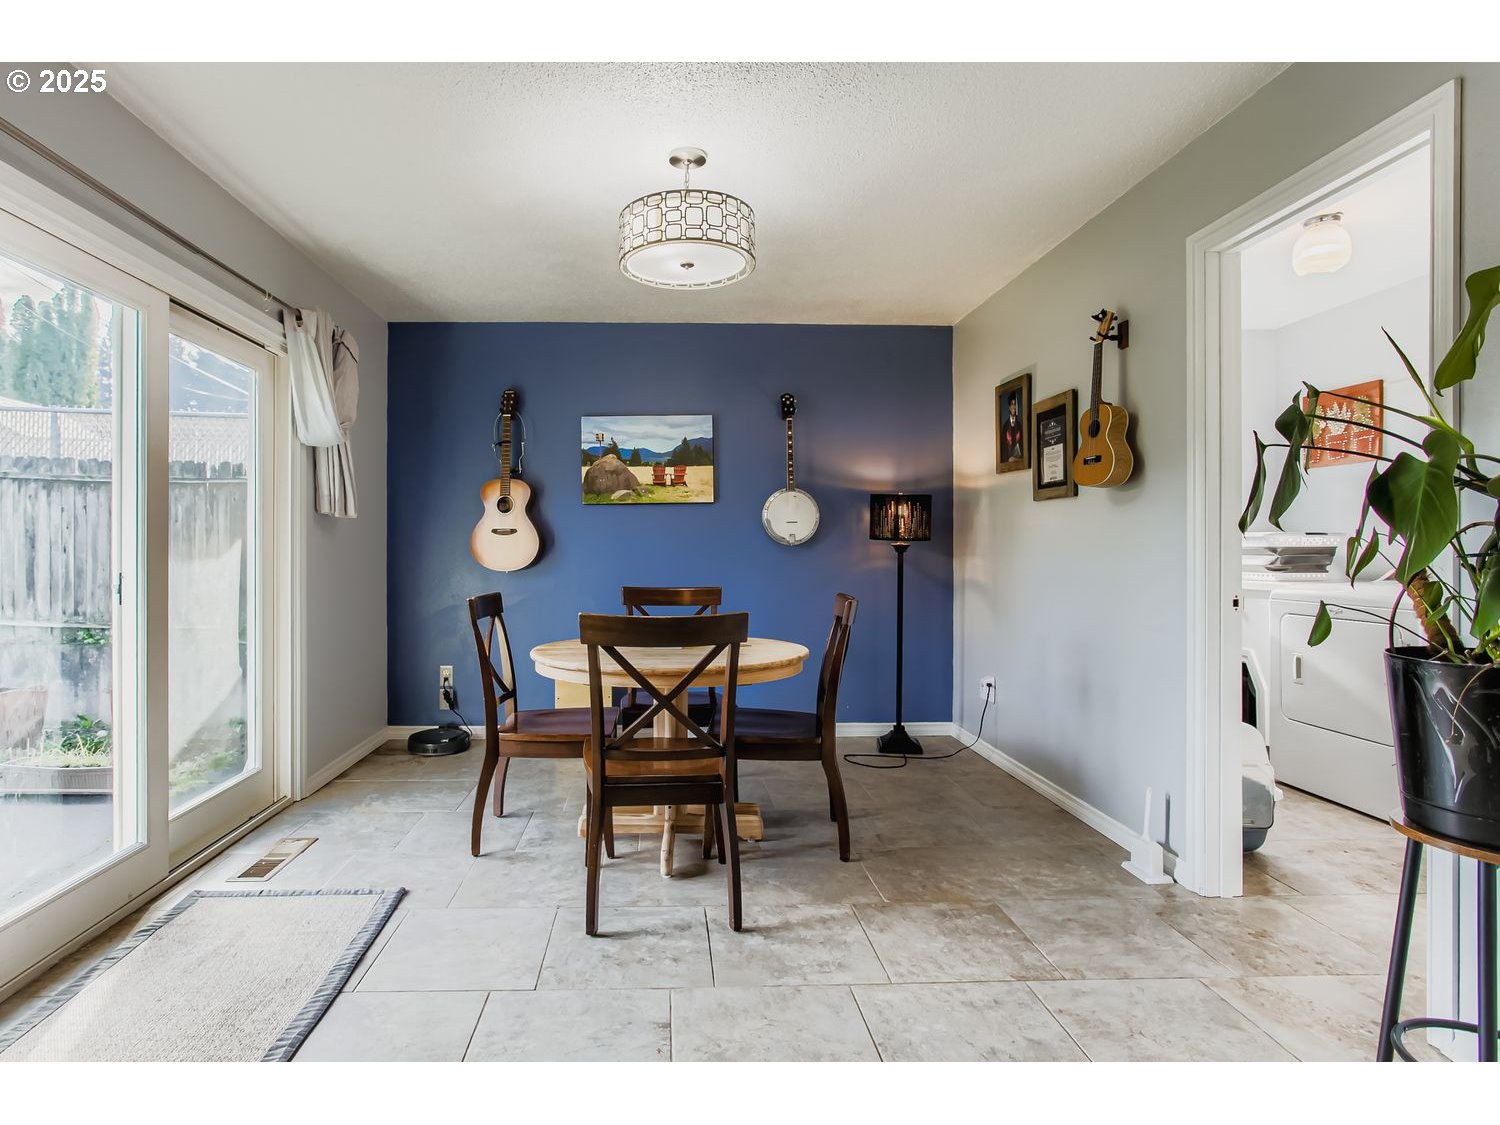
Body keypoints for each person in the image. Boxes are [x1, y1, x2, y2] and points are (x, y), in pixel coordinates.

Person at [1001, 395, 1024, 462]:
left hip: (1018, 459)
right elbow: (1003, 446)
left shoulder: (1020, 425)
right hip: (1008, 461)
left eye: (1015, 404)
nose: (1013, 407)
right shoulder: (1005, 426)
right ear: (1009, 407)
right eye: (1012, 404)